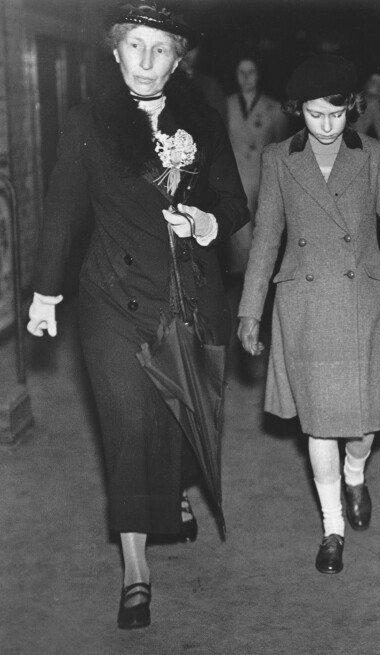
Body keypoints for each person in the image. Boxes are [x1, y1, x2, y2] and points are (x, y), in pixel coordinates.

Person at [25, 2, 250, 628]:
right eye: (135, 47)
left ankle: (176, 486)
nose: (147, 62)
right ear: (116, 50)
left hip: (188, 293)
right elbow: (63, 211)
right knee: (127, 423)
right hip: (113, 298)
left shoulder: (203, 120)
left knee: (180, 409)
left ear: (178, 61)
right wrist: (45, 294)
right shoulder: (86, 121)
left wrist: (207, 221)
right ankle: (135, 569)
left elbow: (234, 202)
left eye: (161, 50)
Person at [237, 54, 380, 575]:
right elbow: (266, 238)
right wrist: (251, 309)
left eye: (336, 115)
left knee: (363, 424)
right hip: (305, 306)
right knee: (319, 424)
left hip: (363, 304)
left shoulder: (376, 156)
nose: (325, 126)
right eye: (315, 115)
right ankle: (332, 527)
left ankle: (357, 471)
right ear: (299, 111)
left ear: (353, 109)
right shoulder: (278, 158)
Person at [225, 55, 290, 273]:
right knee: (241, 228)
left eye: (250, 72)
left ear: (259, 74)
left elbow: (281, 146)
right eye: (241, 72)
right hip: (237, 175)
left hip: (262, 176)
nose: (246, 77)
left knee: (262, 228)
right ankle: (243, 275)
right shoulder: (227, 104)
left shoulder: (274, 108)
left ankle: (261, 273)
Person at [354, 72, 380, 142]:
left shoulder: (376, 107)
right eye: (373, 82)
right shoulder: (351, 101)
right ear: (366, 84)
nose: (377, 87)